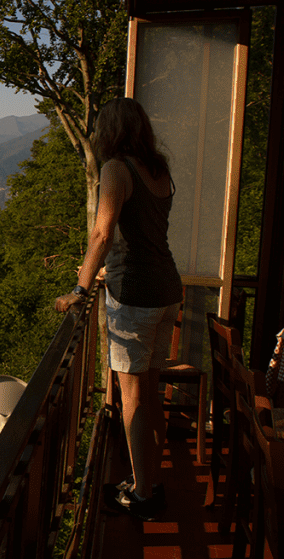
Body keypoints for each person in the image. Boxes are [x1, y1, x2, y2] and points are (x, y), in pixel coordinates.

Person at [54, 97, 183, 522]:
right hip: (167, 290)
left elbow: (102, 233)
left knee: (132, 397)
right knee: (150, 390)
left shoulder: (116, 170)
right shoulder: (158, 170)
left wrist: (80, 287)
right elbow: (147, 234)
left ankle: (142, 493)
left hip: (136, 296)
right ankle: (148, 476)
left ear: (109, 131)